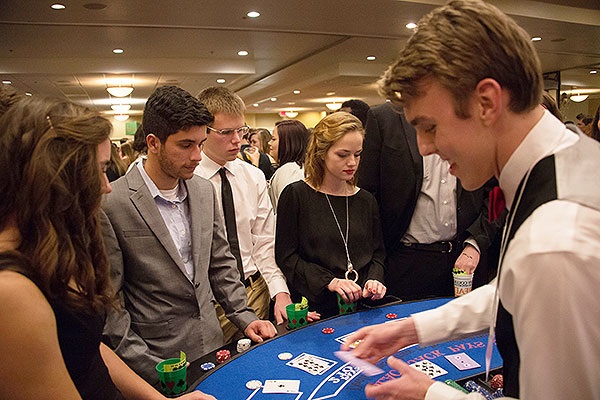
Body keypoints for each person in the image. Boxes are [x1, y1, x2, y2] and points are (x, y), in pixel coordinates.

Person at [343, 1, 600, 399]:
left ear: (486, 102)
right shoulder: (573, 158)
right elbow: (518, 289)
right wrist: (413, 329)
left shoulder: (553, 242)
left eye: (429, 127)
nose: (425, 149)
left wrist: (432, 395)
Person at [0, 96, 212, 399]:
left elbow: (89, 349)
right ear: (55, 175)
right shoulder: (10, 291)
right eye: (98, 170)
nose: (106, 185)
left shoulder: (48, 247)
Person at [101, 85, 276, 384]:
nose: (197, 155)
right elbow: (111, 306)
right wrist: (150, 367)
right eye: (185, 145)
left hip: (212, 345)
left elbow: (221, 264)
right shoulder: (111, 203)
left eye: (201, 143)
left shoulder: (204, 189)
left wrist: (246, 318)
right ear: (153, 142)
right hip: (154, 360)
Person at [194, 86, 303, 343]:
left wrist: (280, 292)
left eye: (241, 130)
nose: (238, 140)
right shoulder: (189, 179)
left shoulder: (252, 176)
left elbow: (264, 243)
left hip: (254, 290)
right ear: (203, 131)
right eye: (226, 132)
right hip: (207, 301)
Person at [357, 100, 497, 299]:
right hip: (405, 261)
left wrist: (476, 242)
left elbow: (496, 192)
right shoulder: (385, 118)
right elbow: (368, 195)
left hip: (465, 259)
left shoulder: (477, 117)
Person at [275, 112, 387, 318]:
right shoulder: (296, 195)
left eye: (358, 154)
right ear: (321, 153)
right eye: (343, 155)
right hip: (316, 308)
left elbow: (378, 253)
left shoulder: (366, 200)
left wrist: (374, 279)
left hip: (362, 307)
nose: (352, 162)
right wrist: (330, 281)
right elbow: (287, 257)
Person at [268, 119, 310, 212]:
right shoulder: (297, 168)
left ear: (287, 142)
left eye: (273, 139)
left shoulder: (290, 171)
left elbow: (288, 210)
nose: (269, 143)